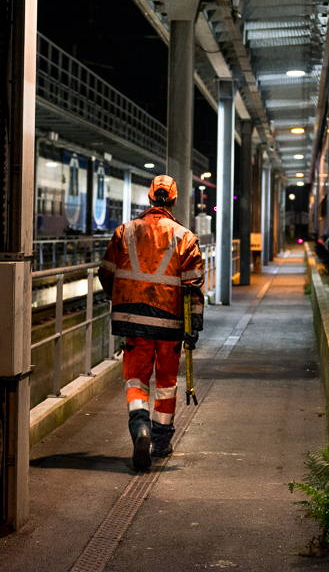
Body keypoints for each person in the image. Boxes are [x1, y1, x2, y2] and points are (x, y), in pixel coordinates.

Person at [98, 175, 204, 470]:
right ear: (172, 200)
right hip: (170, 323)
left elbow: (105, 272)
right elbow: (194, 287)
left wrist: (120, 298)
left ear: (149, 199)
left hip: (132, 321)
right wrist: (194, 326)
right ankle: (160, 441)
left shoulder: (124, 232)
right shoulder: (185, 237)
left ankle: (140, 429)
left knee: (136, 381)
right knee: (167, 384)